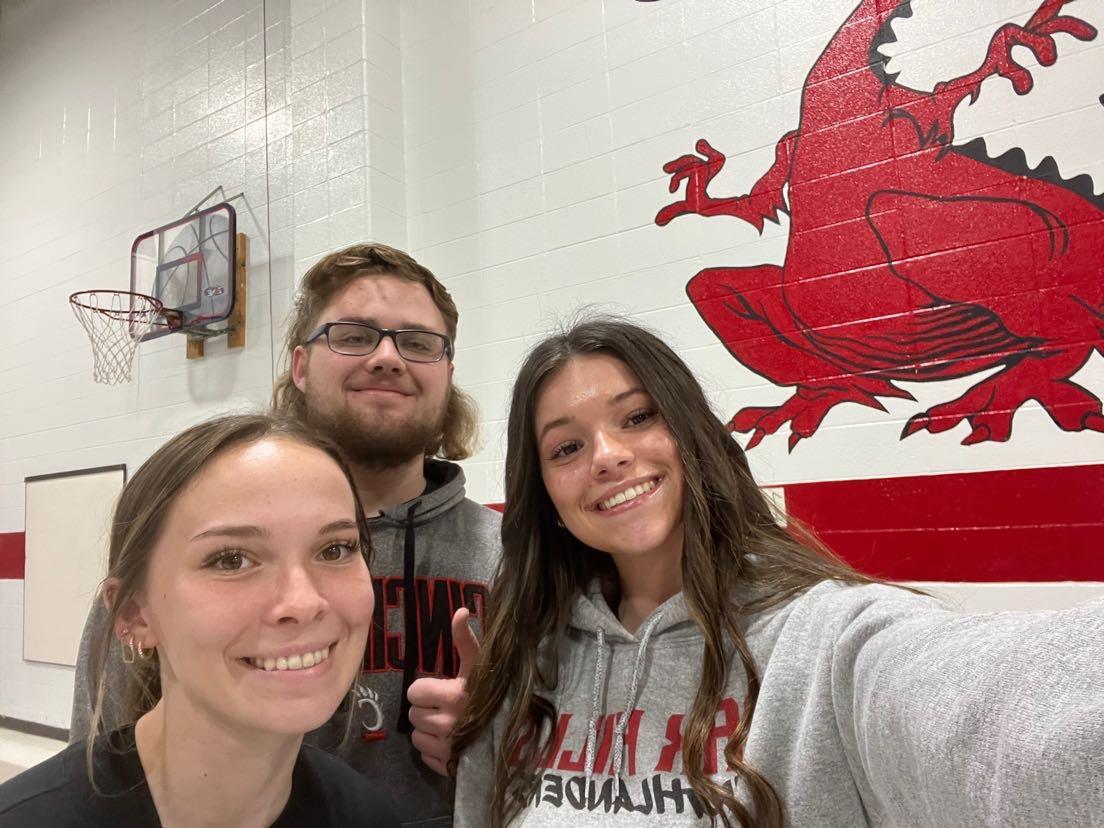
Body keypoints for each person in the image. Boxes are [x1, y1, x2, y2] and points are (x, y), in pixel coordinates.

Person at [451, 318, 1104, 827]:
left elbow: (988, 704)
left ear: (691, 434)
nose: (607, 456)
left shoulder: (822, 640)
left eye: (639, 416)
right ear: (546, 494)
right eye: (567, 447)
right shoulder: (529, 657)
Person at [69, 244, 501, 826]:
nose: (387, 357)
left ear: (447, 372)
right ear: (300, 366)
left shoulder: (513, 556)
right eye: (354, 336)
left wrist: (508, 745)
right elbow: (100, 770)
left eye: (419, 343)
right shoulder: (183, 551)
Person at [0, 413, 398, 826]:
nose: (303, 602)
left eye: (335, 549)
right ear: (136, 613)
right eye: (231, 559)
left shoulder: (366, 814)